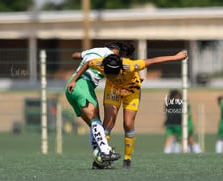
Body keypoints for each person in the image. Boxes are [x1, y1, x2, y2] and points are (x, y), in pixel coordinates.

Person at [67, 50, 188, 168]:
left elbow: (152, 61)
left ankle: (127, 159)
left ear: (120, 70)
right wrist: (74, 80)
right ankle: (102, 156)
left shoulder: (130, 65)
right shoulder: (101, 63)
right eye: (108, 75)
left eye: (113, 75)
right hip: (113, 89)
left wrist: (175, 57)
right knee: (108, 122)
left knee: (128, 123)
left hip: (131, 90)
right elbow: (87, 63)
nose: (110, 77)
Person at [65, 41, 126, 169]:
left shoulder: (93, 51)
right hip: (82, 85)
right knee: (95, 118)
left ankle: (99, 162)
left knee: (94, 126)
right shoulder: (109, 55)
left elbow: (75, 55)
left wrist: (83, 57)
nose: (117, 57)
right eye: (117, 54)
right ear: (114, 51)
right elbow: (89, 64)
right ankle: (105, 151)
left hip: (71, 88)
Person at [163, 89, 201, 154]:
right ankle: (167, 152)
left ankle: (197, 150)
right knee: (170, 138)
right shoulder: (169, 103)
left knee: (188, 139)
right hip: (174, 124)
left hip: (184, 124)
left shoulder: (183, 103)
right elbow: (167, 112)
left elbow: (186, 113)